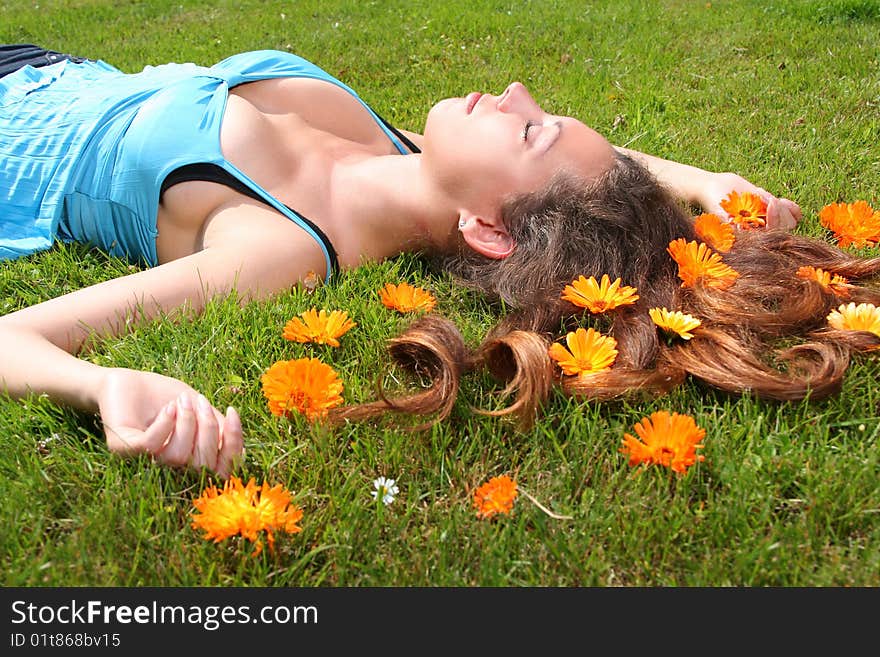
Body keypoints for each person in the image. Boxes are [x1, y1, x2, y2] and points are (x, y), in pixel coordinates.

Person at [2, 43, 843, 480]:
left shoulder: (280, 245)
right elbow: (578, 174)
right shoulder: (394, 153)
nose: (516, 92)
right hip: (48, 66)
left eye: (528, 126)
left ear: (485, 229)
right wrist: (696, 179)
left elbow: (16, 337)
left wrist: (103, 384)